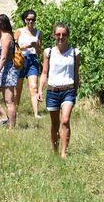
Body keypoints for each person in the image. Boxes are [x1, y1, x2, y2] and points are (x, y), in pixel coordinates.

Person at [38, 23, 81, 157]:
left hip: (68, 90)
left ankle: (63, 153)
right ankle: (55, 151)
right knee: (55, 124)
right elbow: (44, 72)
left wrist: (76, 92)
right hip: (52, 91)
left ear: (68, 36)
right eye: (58, 34)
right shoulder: (48, 52)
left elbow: (76, 74)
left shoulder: (75, 53)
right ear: (54, 35)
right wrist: (40, 90)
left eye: (64, 34)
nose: (61, 37)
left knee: (65, 120)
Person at [13, 9, 42, 119]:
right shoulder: (19, 31)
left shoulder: (38, 33)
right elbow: (14, 47)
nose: (31, 21)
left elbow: (39, 51)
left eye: (33, 20)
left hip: (33, 60)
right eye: (29, 19)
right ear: (25, 20)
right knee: (18, 87)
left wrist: (35, 46)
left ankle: (36, 114)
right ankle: (15, 110)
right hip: (21, 59)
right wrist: (26, 46)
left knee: (34, 87)